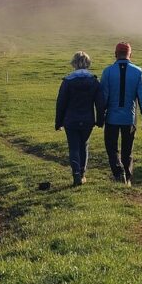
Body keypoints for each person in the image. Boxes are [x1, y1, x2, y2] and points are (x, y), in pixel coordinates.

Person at [100, 41, 142, 186]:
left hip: (111, 118)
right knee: (127, 150)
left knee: (111, 148)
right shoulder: (138, 72)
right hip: (130, 118)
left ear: (115, 54)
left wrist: (100, 116)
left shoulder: (108, 71)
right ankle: (127, 178)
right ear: (130, 55)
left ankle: (118, 173)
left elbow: (103, 96)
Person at [55, 51, 104, 186]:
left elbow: (61, 103)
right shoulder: (94, 81)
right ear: (88, 63)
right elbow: (100, 104)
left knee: (74, 147)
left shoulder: (68, 81)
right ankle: (82, 173)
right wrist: (100, 121)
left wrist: (58, 122)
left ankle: (76, 173)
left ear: (74, 63)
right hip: (87, 120)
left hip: (71, 120)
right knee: (84, 146)